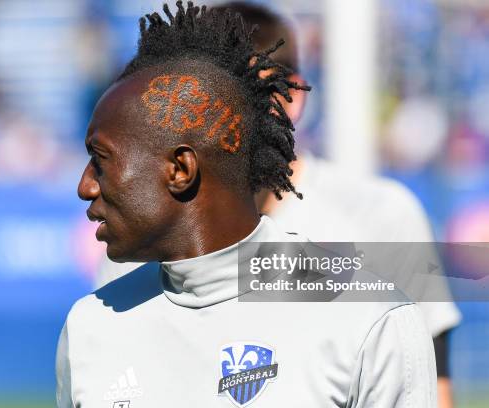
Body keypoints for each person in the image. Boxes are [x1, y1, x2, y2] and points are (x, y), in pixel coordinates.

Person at [57, 2, 436, 407]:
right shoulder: (89, 327)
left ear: (180, 169)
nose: (84, 185)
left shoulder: (369, 320)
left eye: (100, 160)